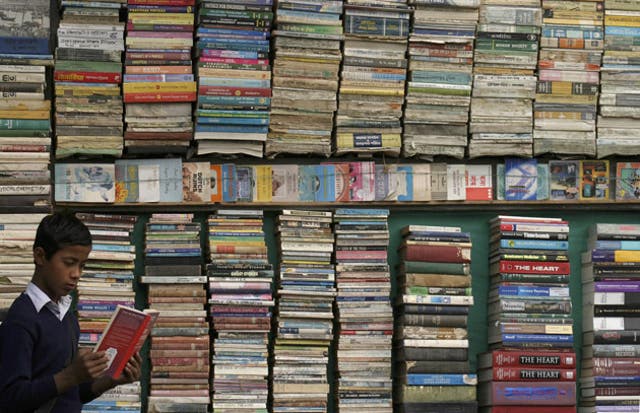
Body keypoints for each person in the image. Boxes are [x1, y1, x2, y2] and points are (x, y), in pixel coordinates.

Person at [0, 213, 141, 413]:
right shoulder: (22, 319)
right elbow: (10, 398)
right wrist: (71, 375)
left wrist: (110, 381)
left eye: (82, 265)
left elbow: (70, 395)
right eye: (68, 262)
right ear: (40, 256)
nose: (76, 274)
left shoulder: (66, 315)